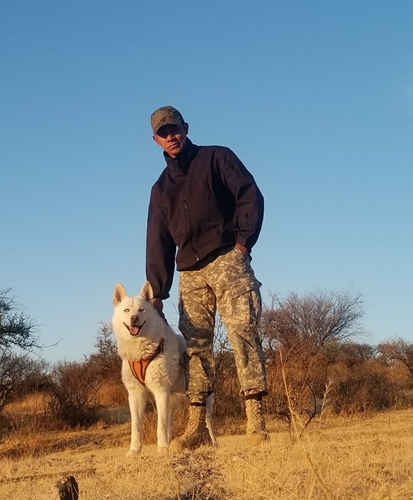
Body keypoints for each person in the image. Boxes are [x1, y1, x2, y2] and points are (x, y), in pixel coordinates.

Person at [146, 106, 268, 452]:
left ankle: (256, 421)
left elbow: (249, 194)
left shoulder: (217, 157)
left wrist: (242, 244)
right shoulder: (160, 189)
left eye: (174, 128)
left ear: (185, 127)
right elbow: (157, 239)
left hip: (228, 259)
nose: (171, 136)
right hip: (190, 273)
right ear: (155, 140)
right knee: (196, 346)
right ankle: (197, 425)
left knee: (243, 332)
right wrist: (157, 292)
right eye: (163, 133)